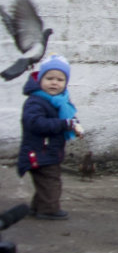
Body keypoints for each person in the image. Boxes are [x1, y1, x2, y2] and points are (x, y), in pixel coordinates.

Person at [17, 54, 82, 220]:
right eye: (49, 78)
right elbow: (36, 123)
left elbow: (66, 118)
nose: (54, 83)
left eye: (60, 80)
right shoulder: (36, 102)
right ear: (40, 79)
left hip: (49, 152)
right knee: (51, 182)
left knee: (46, 182)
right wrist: (65, 124)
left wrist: (74, 125)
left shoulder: (59, 101)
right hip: (39, 152)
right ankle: (48, 210)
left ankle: (38, 207)